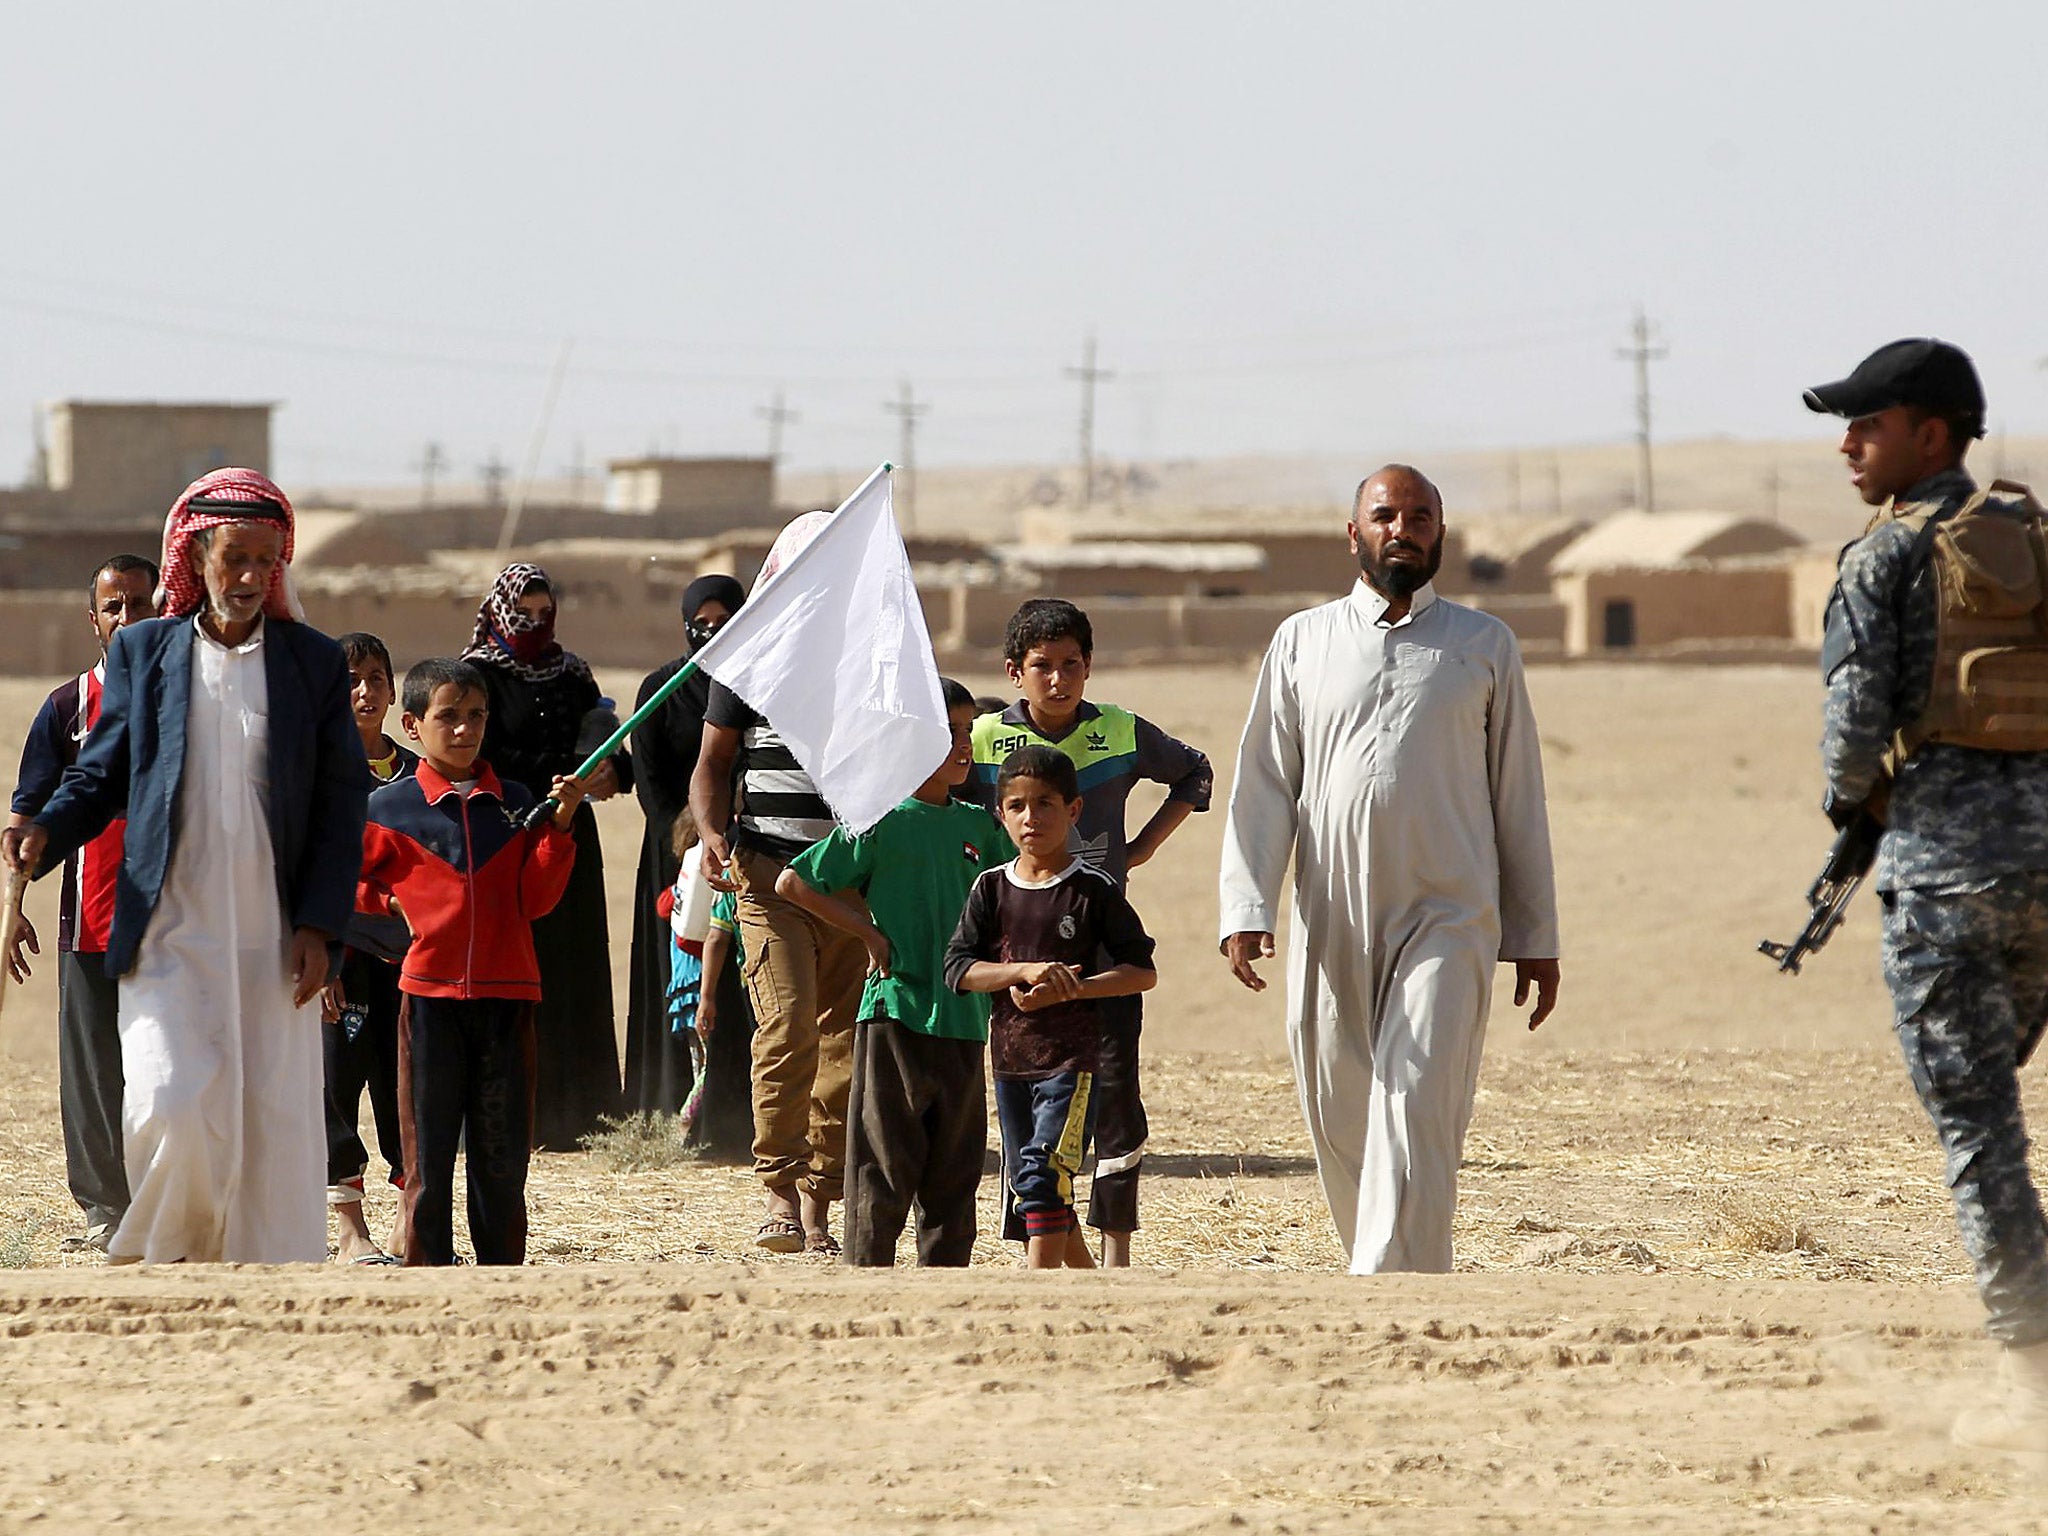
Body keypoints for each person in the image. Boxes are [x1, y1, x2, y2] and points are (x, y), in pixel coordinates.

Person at [2, 468, 369, 1265]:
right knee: (170, 1096)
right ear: (195, 559)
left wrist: (319, 925)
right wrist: (48, 830)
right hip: (170, 923)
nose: (248, 577)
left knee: (270, 1109)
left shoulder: (311, 664)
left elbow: (343, 805)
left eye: (265, 562)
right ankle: (169, 1253)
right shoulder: (145, 651)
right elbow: (102, 771)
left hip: (273, 931)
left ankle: (263, 1265)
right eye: (233, 558)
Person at [1217, 463, 1559, 1275]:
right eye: (1385, 515)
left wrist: (1534, 932)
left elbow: (1520, 796)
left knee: (1415, 1096)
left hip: (1449, 912)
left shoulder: (1484, 645)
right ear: (1354, 533)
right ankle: (1385, 1262)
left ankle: (1393, 1285)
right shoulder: (1303, 641)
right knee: (1339, 1110)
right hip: (1330, 912)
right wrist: (1246, 906)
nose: (1402, 528)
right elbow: (1264, 783)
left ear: (1441, 532)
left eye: (1420, 516)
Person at [1804, 339, 2048, 1451]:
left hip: (1944, 881)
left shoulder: (1884, 556)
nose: (1847, 444)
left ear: (1931, 435)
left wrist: (1853, 811)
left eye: (1868, 423)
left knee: (1978, 1135)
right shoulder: (2031, 540)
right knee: (1995, 1112)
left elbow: (1851, 745)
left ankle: (2032, 1382)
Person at [966, 598, 1212, 1266]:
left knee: (1113, 1099)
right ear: (1014, 672)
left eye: (1071, 665)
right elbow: (944, 810)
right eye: (1042, 666)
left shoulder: (1123, 732)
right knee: (1026, 1103)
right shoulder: (985, 739)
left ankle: (1116, 1251)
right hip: (1015, 955)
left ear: (1089, 667)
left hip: (1102, 952)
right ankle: (1045, 1245)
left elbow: (1196, 772)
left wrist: (1141, 849)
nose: (1058, 679)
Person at [356, 658, 584, 1266]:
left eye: (476, 716)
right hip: (428, 999)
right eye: (448, 717)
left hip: (508, 997)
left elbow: (536, 899)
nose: (464, 729)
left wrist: (558, 828)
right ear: (412, 724)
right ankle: (428, 1266)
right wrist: (388, 900)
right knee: (426, 1153)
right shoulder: (388, 808)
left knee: (502, 1153)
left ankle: (502, 1272)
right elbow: (343, 883)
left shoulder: (517, 804)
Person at [776, 679, 1011, 1266]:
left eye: (967, 733)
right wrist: (868, 934)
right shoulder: (880, 821)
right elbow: (794, 882)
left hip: (963, 1018)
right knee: (882, 1162)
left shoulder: (980, 827)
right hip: (894, 1015)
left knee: (955, 1171)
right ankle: (868, 1280)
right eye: (947, 733)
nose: (962, 745)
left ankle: (944, 1288)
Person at [691, 517, 868, 1255]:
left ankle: (821, 1205)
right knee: (788, 1027)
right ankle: (777, 1195)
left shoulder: (872, 664)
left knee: (844, 1046)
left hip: (853, 882)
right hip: (767, 875)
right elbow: (712, 765)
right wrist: (709, 833)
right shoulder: (749, 666)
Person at [947, 746, 1157, 1269]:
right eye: (1017, 805)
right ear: (1001, 814)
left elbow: (1142, 971)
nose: (1030, 817)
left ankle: (1037, 1294)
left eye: (1045, 804)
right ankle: (1094, 1293)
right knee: (1030, 1182)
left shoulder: (1092, 892)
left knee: (1043, 1173)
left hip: (1072, 1065)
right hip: (1010, 1062)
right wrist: (1020, 972)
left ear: (1074, 811)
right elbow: (959, 970)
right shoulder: (990, 887)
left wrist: (1073, 989)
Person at [5, 553, 159, 1253]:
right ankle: (105, 1210)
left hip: (179, 920)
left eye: (140, 603)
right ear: (93, 618)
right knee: (96, 1073)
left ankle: (172, 1202)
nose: (128, 617)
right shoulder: (68, 707)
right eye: (115, 606)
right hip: (92, 919)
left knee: (172, 1067)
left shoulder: (191, 699)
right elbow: (28, 820)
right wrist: (13, 907)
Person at [462, 563, 630, 1150]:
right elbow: (477, 751)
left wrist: (607, 770)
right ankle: (509, 1111)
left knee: (573, 965)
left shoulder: (572, 672)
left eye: (545, 613)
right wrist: (553, 778)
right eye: (524, 612)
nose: (534, 624)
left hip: (571, 836)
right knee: (514, 965)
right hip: (506, 835)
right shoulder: (475, 674)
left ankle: (580, 1115)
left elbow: (609, 746)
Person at [625, 574, 748, 1133]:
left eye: (726, 622)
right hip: (674, 853)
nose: (713, 633)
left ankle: (738, 1111)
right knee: (681, 972)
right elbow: (651, 784)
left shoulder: (759, 686)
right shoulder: (661, 688)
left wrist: (731, 831)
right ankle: (677, 1106)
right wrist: (694, 838)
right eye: (701, 625)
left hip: (748, 848)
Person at [320, 631, 417, 1265]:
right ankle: (351, 1230)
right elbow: (309, 869)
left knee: (408, 1087)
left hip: (410, 962)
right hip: (344, 959)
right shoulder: (316, 771)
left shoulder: (417, 771)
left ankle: (413, 1220)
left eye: (377, 678)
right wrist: (323, 956)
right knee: (336, 1085)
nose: (365, 691)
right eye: (352, 679)